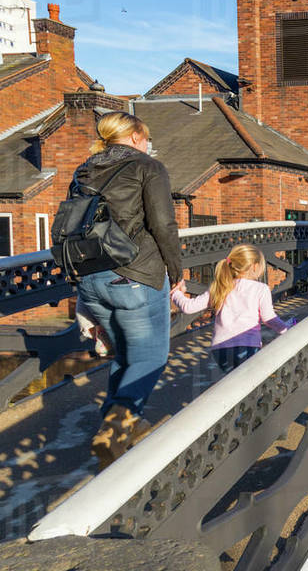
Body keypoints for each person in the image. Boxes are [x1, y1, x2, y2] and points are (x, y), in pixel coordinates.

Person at [71, 111, 183, 467]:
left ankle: (126, 425)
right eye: (145, 137)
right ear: (135, 136)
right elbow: (163, 224)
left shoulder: (84, 169)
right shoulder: (148, 167)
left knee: (124, 356)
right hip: (136, 276)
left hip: (91, 279)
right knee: (150, 358)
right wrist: (176, 271)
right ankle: (118, 421)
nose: (147, 143)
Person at [170, 244, 293, 373]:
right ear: (255, 266)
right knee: (249, 385)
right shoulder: (260, 289)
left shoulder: (221, 286)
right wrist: (287, 330)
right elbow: (269, 318)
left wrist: (176, 293)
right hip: (247, 346)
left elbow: (188, 307)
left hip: (220, 350)